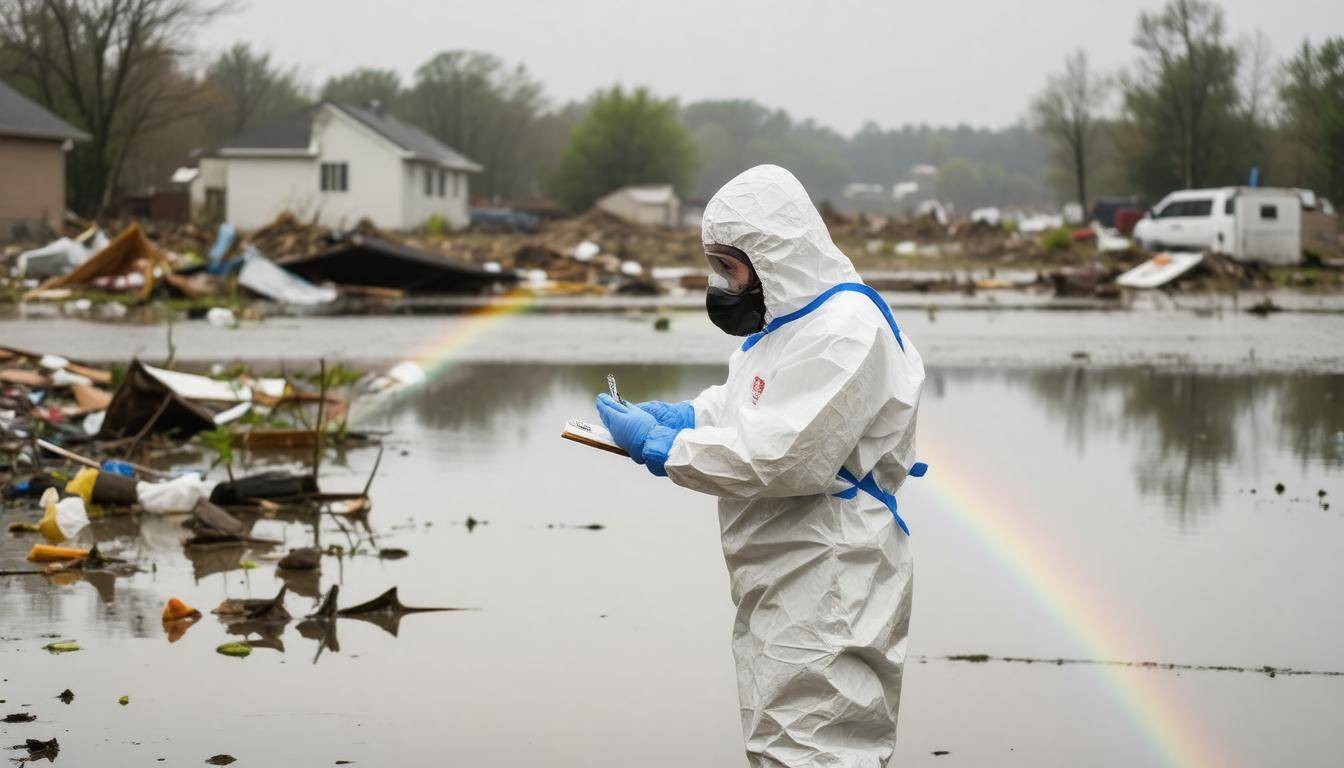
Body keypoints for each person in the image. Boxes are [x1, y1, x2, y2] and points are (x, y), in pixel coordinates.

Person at [595, 164, 926, 768]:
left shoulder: (847, 329)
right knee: (778, 740)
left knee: (817, 748)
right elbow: (747, 408)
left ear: (773, 253)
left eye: (729, 266)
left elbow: (785, 456)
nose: (720, 283)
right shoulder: (784, 327)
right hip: (781, 568)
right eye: (716, 266)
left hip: (829, 567)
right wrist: (689, 418)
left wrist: (666, 448)